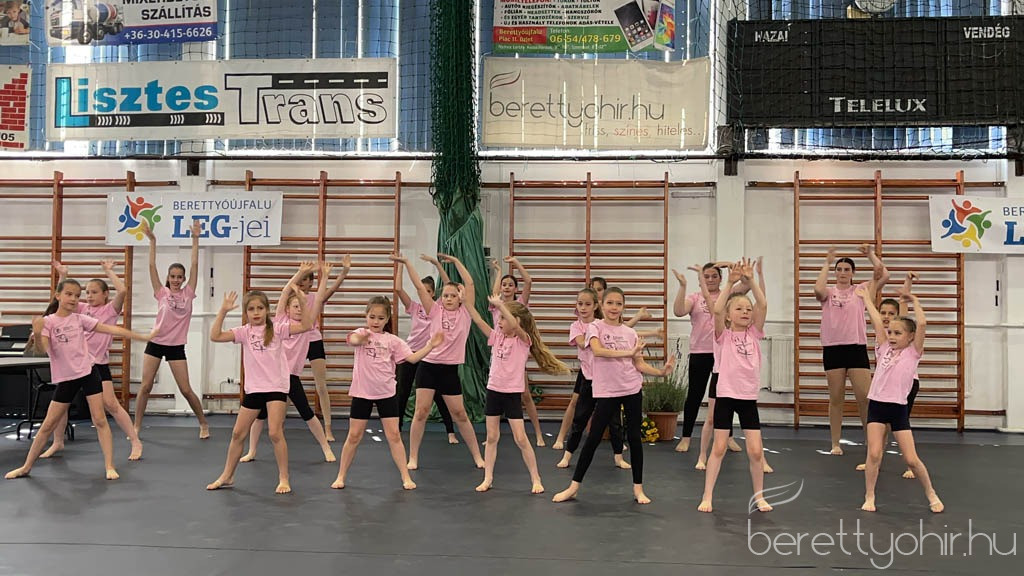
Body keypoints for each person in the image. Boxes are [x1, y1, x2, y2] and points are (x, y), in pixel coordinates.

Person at [6, 279, 154, 480]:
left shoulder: (80, 319)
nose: (74, 299)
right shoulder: (49, 322)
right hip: (67, 379)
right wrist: (38, 332)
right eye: (69, 294)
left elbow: (112, 329)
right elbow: (41, 349)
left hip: (88, 373)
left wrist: (141, 336)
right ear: (58, 296)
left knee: (100, 420)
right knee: (48, 425)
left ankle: (109, 466)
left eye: (77, 295)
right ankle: (26, 467)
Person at [552, 287, 674, 505]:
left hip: (632, 389)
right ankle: (573, 487)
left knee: (634, 438)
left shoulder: (630, 333)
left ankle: (638, 489)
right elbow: (598, 351)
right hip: (607, 391)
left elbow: (639, 364)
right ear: (602, 305)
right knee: (593, 438)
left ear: (623, 307)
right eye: (610, 303)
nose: (614, 307)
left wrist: (661, 372)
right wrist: (628, 352)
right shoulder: (595, 327)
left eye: (619, 304)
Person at [206, 289, 316, 494]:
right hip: (254, 388)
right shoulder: (244, 332)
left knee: (275, 432)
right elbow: (215, 336)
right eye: (251, 309)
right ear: (246, 312)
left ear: (267, 310)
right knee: (237, 433)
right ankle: (228, 475)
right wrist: (223, 311)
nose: (256, 312)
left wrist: (302, 301)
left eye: (260, 308)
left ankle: (284, 477)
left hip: (275, 387)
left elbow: (306, 326)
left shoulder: (278, 329)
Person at [332, 296, 442, 490]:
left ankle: (405, 477)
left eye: (381, 318)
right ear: (366, 316)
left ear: (387, 319)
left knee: (394, 435)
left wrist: (430, 346)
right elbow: (353, 339)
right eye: (372, 317)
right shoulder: (361, 333)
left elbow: (412, 358)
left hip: (386, 393)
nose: (376, 322)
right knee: (354, 435)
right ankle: (341, 476)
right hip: (362, 392)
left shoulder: (393, 341)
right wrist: (361, 339)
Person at [41, 260, 144, 461]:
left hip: (97, 364)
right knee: (61, 405)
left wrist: (109, 271)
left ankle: (135, 441)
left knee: (111, 404)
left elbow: (123, 291)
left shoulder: (110, 310)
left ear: (105, 294)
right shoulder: (81, 308)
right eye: (87, 292)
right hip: (75, 364)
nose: (89, 296)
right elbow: (58, 301)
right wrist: (63, 275)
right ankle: (58, 441)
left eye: (94, 292)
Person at [392, 253, 484, 470]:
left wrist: (457, 262)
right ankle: (413, 457)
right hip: (428, 367)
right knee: (421, 412)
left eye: (453, 295)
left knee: (460, 414)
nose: (448, 299)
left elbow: (470, 283)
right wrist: (407, 263)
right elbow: (419, 287)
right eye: (445, 296)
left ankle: (477, 456)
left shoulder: (466, 313)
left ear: (460, 298)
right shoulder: (434, 311)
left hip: (449, 371)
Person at [469, 295, 569, 493]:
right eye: (499, 318)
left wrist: (500, 305)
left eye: (502, 318)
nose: (499, 321)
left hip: (512, 393)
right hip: (494, 390)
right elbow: (478, 320)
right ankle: (488, 478)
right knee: (492, 437)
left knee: (521, 438)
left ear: (516, 321)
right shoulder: (497, 337)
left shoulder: (523, 341)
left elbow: (514, 325)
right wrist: (465, 302)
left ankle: (536, 478)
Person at [858, 285, 943, 513]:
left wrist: (914, 300)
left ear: (910, 337)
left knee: (912, 459)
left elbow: (922, 324)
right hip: (877, 405)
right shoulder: (883, 347)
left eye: (898, 333)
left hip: (898, 409)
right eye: (890, 332)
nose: (892, 336)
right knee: (874, 453)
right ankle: (869, 495)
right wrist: (866, 298)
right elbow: (876, 320)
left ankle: (931, 493)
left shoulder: (913, 353)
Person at [239, 262, 335, 464]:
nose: (299, 310)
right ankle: (252, 450)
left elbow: (318, 299)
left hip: (290, 376)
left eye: (302, 307)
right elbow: (285, 292)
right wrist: (300, 272)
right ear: (287, 310)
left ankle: (326, 448)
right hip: (273, 378)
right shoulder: (279, 321)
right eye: (295, 307)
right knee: (260, 415)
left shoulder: (306, 326)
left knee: (307, 413)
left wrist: (325, 276)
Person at [698, 259, 771, 513]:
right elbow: (717, 310)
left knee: (756, 452)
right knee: (718, 448)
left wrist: (751, 280)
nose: (745, 312)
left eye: (747, 309)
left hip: (747, 398)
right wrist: (729, 283)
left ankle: (759, 497)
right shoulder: (723, 335)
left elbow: (762, 304)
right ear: (730, 315)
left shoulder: (754, 333)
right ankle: (707, 495)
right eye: (739, 309)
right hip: (726, 396)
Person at [135, 220, 210, 438]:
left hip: (176, 346)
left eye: (179, 277)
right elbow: (151, 267)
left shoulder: (188, 293)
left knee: (185, 389)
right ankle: (136, 426)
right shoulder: (162, 293)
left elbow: (195, 264)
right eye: (172, 276)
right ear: (168, 278)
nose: (176, 280)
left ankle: (203, 423)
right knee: (145, 386)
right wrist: (152, 241)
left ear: (184, 279)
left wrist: (195, 239)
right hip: (156, 342)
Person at [814, 245, 889, 455]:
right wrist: (827, 263)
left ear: (853, 273)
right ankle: (835, 443)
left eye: (847, 269)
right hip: (833, 349)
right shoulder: (829, 293)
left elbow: (884, 274)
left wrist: (870, 255)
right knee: (836, 398)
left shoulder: (862, 290)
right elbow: (818, 290)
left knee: (865, 398)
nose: (843, 273)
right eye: (839, 269)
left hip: (856, 348)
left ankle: (871, 442)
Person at [555, 287, 629, 470]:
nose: (583, 308)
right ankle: (567, 455)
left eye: (587, 304)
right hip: (588, 379)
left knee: (615, 421)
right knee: (580, 419)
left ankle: (618, 457)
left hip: (608, 380)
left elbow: (619, 334)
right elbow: (582, 343)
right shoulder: (577, 326)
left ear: (596, 306)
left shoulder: (601, 324)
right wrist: (596, 337)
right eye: (580, 304)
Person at [393, 254, 458, 444]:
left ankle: (450, 431)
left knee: (438, 395)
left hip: (430, 356)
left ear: (433, 293)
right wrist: (401, 265)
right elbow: (398, 289)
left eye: (429, 291)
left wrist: (437, 264)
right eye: (423, 290)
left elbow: (449, 284)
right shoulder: (414, 307)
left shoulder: (438, 308)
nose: (425, 293)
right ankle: (396, 429)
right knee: (402, 392)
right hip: (411, 353)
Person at [489, 256, 546, 447]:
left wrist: (515, 262)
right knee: (494, 396)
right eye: (504, 284)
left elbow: (528, 281)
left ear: (515, 289)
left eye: (510, 285)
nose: (506, 287)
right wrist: (498, 271)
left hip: (515, 354)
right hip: (499, 353)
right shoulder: (496, 305)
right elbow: (494, 293)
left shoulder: (520, 304)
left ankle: (538, 433)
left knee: (526, 395)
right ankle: (491, 436)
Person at [294, 254, 351, 442]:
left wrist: (344, 272)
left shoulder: (315, 297)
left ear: (311, 282)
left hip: (313, 340)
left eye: (305, 279)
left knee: (321, 385)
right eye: (300, 278)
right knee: (286, 384)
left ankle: (327, 428)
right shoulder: (290, 298)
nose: (301, 282)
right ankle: (277, 424)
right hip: (294, 341)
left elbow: (332, 289)